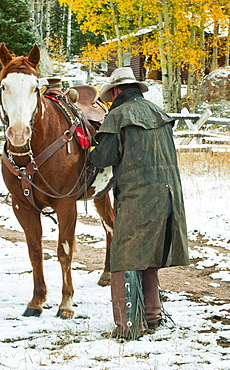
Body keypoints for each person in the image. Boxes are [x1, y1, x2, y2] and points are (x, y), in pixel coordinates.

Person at [89, 67, 189, 340]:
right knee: (149, 257)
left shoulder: (118, 115)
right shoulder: (158, 112)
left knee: (123, 257)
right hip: (169, 195)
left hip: (138, 197)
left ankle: (127, 327)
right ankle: (153, 317)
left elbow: (103, 158)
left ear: (117, 91)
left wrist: (91, 147)